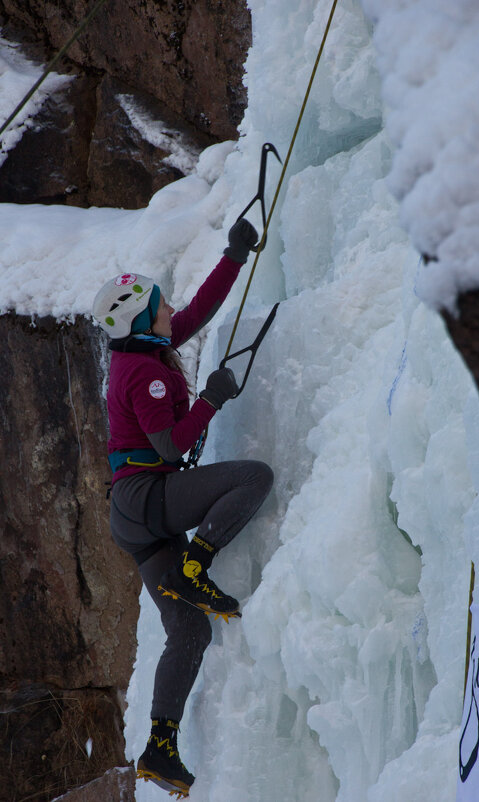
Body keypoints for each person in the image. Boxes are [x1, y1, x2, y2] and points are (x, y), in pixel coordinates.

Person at [92, 218, 274, 798]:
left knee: (188, 631)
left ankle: (161, 747)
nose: (169, 309)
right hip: (148, 499)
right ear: (142, 321)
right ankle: (196, 565)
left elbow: (195, 314)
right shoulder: (142, 373)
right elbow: (172, 446)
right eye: (159, 305)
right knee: (253, 477)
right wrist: (214, 400)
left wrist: (234, 256)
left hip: (136, 516)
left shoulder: (145, 348)